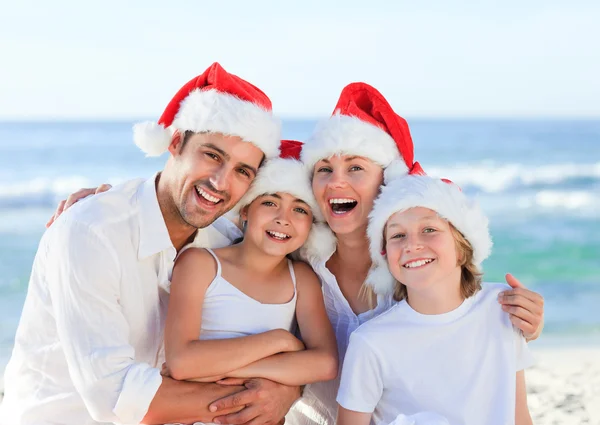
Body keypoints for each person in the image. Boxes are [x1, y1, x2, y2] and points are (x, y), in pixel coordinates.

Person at [46, 82, 546, 425]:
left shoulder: (408, 258)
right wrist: (110, 200)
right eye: (324, 169)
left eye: (356, 167)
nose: (337, 182)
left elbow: (465, 304)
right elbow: (217, 209)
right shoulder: (298, 256)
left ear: (386, 181)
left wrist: (523, 317)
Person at [0, 62, 304, 425]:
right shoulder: (91, 231)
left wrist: (288, 390)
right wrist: (259, 398)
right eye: (212, 155)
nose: (222, 183)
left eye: (242, 171)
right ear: (175, 142)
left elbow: (301, 342)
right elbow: (114, 396)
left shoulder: (226, 241)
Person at [336, 172, 533, 425]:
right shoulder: (370, 343)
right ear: (386, 257)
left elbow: (519, 414)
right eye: (397, 235)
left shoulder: (502, 308)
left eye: (429, 229)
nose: (412, 245)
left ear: (462, 248)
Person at [161, 141, 338, 421]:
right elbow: (182, 363)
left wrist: (219, 370)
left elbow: (325, 363)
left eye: (301, 210)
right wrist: (279, 341)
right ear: (245, 211)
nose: (283, 219)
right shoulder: (201, 264)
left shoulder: (301, 278)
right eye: (270, 203)